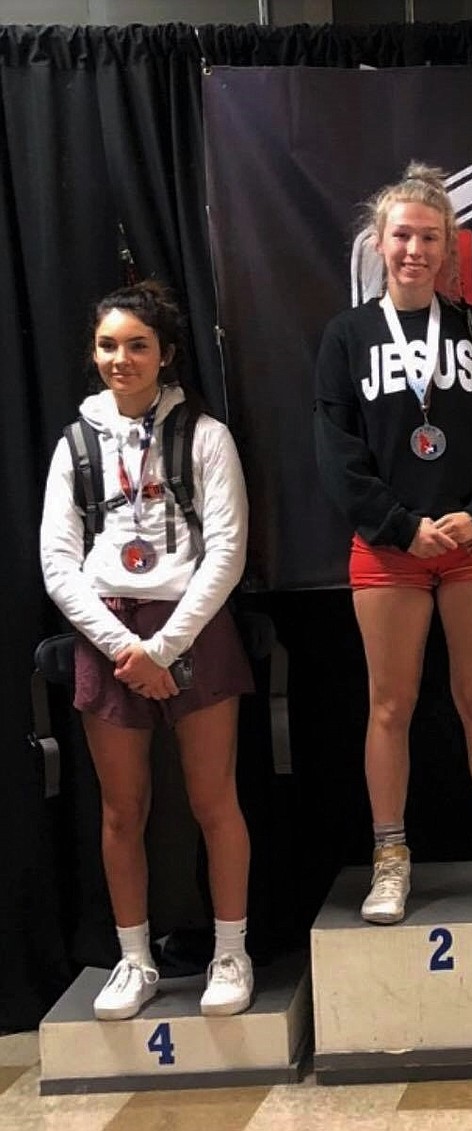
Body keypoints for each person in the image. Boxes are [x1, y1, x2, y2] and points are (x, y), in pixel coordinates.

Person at [314, 163, 472, 923]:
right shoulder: (347, 336)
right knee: (390, 705)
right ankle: (390, 858)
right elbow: (336, 450)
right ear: (378, 243)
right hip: (389, 548)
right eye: (403, 235)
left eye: (430, 237)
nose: (415, 249)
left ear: (450, 248)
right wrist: (401, 523)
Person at [40, 281, 254, 1019]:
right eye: (107, 345)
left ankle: (231, 949)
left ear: (165, 353)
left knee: (212, 799)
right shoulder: (76, 443)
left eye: (137, 345)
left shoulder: (205, 436)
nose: (120, 358)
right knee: (121, 809)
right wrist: (123, 647)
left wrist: (164, 646)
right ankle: (135, 959)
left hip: (191, 626)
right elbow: (58, 561)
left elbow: (227, 551)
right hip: (110, 635)